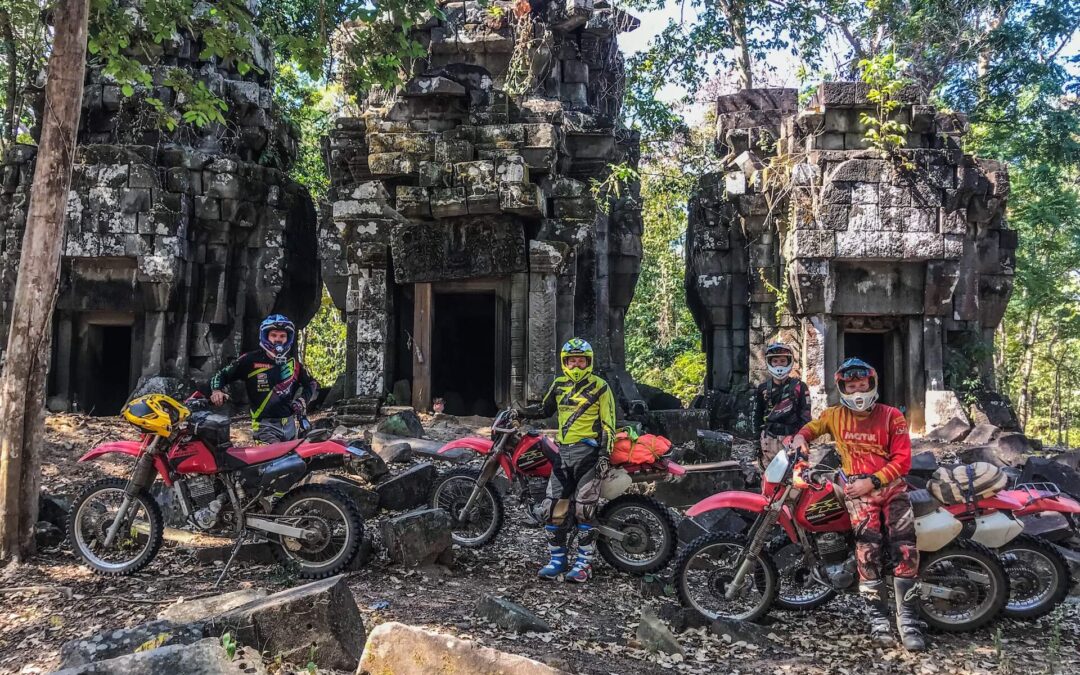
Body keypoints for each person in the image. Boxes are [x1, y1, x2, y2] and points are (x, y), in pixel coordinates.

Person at [788, 358, 924, 652]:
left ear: (872, 384)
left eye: (862, 384)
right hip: (856, 491)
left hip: (891, 489)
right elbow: (812, 427)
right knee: (866, 550)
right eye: (851, 385)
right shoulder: (834, 416)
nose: (857, 390)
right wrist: (800, 437)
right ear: (842, 387)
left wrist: (872, 482)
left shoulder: (892, 417)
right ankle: (879, 621)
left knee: (905, 548)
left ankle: (909, 622)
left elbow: (903, 461)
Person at [518, 338, 616, 583]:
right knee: (553, 509)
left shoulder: (600, 387)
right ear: (564, 362)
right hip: (563, 455)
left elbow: (608, 425)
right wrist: (519, 412)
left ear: (588, 362)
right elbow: (544, 409)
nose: (576, 365)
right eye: (571, 361)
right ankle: (557, 561)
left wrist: (605, 455)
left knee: (585, 510)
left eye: (581, 361)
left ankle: (584, 565)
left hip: (589, 455)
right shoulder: (559, 385)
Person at [208, 314, 318, 444]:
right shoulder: (250, 360)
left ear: (288, 338)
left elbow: (312, 383)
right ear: (265, 336)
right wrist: (216, 391)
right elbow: (221, 375)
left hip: (290, 425)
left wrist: (302, 400)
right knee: (276, 462)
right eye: (274, 335)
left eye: (282, 336)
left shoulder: (293, 364)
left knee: (295, 462)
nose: (278, 339)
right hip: (264, 427)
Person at [752, 342, 812, 469]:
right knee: (769, 478)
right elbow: (757, 416)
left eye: (783, 361)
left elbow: (806, 416)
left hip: (792, 439)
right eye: (775, 361)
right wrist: (756, 442)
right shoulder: (763, 389)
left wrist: (803, 439)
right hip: (769, 440)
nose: (779, 364)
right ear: (769, 362)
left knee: (794, 479)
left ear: (789, 362)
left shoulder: (800, 387)